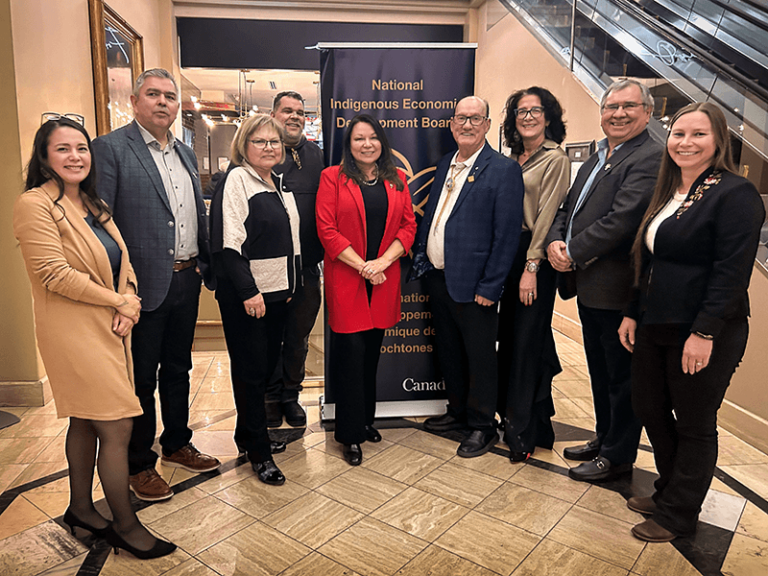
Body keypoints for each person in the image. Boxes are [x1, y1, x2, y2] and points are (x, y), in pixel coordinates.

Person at [13, 114, 175, 559]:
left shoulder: (91, 202)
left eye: (81, 148)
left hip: (107, 325)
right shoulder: (35, 204)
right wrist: (116, 301)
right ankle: (124, 524)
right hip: (71, 330)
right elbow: (52, 274)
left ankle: (82, 509)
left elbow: (122, 261)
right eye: (63, 148)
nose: (75, 156)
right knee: (118, 423)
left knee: (86, 418)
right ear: (44, 157)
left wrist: (130, 298)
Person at [618, 102, 764, 542]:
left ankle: (680, 513)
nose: (686, 143)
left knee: (695, 421)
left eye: (698, 134)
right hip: (655, 322)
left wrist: (703, 332)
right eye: (679, 134)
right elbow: (646, 257)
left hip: (704, 330)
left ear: (718, 140)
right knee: (649, 407)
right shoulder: (667, 191)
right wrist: (631, 310)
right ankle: (668, 490)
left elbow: (730, 272)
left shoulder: (735, 194)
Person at [92, 68, 220, 503]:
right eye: (153, 94)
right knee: (141, 379)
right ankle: (139, 464)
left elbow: (192, 215)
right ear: (134, 101)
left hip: (185, 280)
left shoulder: (184, 151)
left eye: (170, 95)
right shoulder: (110, 149)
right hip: (139, 288)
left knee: (180, 369)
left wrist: (204, 264)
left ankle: (177, 442)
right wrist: (117, 290)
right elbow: (100, 224)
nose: (164, 102)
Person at [545, 79, 663, 481]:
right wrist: (556, 241)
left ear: (648, 112)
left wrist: (572, 251)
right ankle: (604, 435)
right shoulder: (600, 155)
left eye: (628, 106)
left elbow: (622, 221)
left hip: (617, 289)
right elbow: (568, 206)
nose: (618, 114)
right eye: (611, 107)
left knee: (620, 377)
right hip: (590, 285)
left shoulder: (650, 157)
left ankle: (617, 455)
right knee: (599, 369)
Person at [411, 96, 524, 458]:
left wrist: (491, 286)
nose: (467, 125)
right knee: (449, 352)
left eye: (475, 119)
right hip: (439, 278)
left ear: (488, 125)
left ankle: (481, 425)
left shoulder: (503, 169)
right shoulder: (448, 162)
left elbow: (506, 235)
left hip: (476, 287)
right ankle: (457, 412)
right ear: (451, 124)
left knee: (479, 358)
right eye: (461, 118)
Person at [316, 114, 416, 466]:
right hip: (349, 280)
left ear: (382, 142)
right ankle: (349, 434)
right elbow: (326, 230)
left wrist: (383, 264)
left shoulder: (398, 180)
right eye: (359, 139)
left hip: (383, 281)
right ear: (349, 145)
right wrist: (363, 267)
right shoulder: (333, 178)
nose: (367, 144)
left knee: (371, 355)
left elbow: (408, 227)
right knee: (350, 358)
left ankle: (366, 420)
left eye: (373, 137)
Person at [209, 114, 301, 485]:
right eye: (260, 142)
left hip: (276, 294)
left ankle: (247, 436)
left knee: (262, 371)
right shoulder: (236, 180)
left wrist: (289, 287)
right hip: (249, 297)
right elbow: (228, 244)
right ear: (244, 146)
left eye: (274, 142)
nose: (269, 148)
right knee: (251, 373)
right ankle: (259, 454)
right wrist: (249, 291)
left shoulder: (274, 182)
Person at [497, 87, 570, 462]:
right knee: (521, 341)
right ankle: (542, 423)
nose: (527, 116)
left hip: (533, 261)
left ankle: (520, 431)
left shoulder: (555, 159)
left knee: (526, 345)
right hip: (509, 258)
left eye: (535, 110)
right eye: (521, 111)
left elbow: (546, 217)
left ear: (548, 116)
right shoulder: (513, 157)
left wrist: (531, 267)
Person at [266, 90, 325, 428]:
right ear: (273, 115)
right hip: (268, 269)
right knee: (271, 336)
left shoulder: (317, 155)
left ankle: (291, 395)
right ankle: (271, 397)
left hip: (306, 269)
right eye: (287, 110)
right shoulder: (259, 153)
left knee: (298, 337)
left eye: (300, 112)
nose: (294, 116)